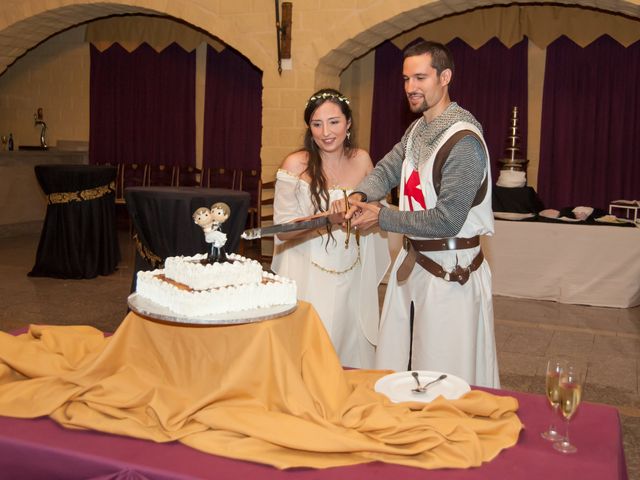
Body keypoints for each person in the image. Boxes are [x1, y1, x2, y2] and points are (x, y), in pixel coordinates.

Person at [334, 41, 499, 387]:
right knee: (399, 367)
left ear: (445, 77)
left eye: (420, 77)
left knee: (444, 374)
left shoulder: (464, 142)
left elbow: (448, 219)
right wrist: (358, 195)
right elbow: (387, 170)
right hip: (414, 267)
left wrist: (382, 216)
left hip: (451, 276)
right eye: (407, 78)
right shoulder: (417, 130)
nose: (411, 87)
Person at [271, 88, 390, 368]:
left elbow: (375, 213)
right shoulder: (295, 164)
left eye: (334, 122)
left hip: (351, 271)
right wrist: (326, 218)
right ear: (309, 128)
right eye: (317, 124)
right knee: (310, 350)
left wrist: (364, 213)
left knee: (351, 348)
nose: (326, 132)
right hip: (307, 270)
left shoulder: (362, 160)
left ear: (348, 123)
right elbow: (282, 230)